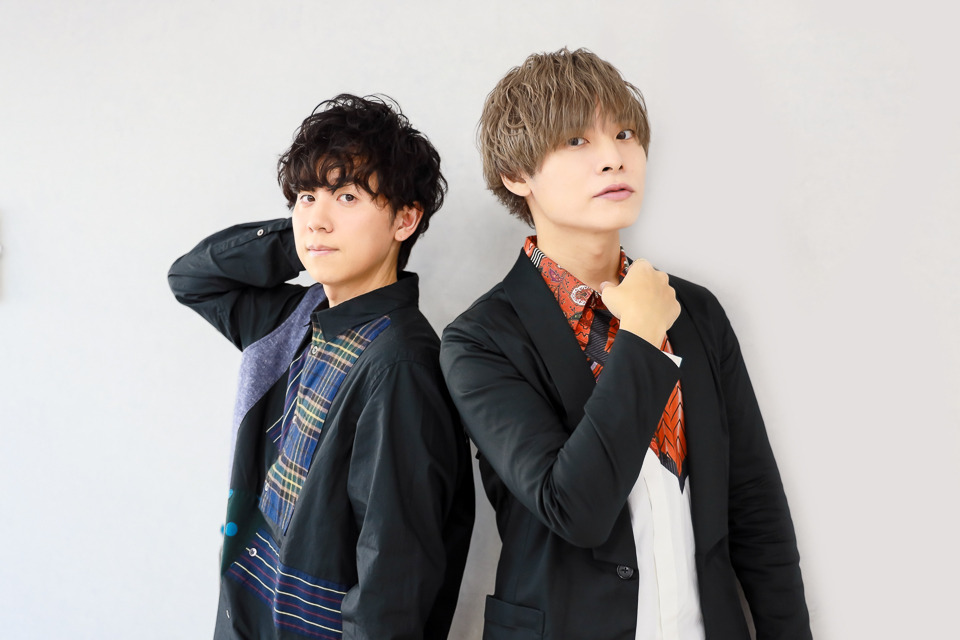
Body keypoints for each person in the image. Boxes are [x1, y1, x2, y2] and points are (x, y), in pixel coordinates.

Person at [440, 48, 810, 639]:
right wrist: (640, 335)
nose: (614, 157)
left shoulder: (695, 311)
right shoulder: (480, 340)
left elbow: (754, 502)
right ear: (517, 175)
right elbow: (575, 510)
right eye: (576, 141)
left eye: (624, 134)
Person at [169, 94, 474, 640]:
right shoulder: (293, 321)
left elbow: (391, 586)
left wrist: (321, 234)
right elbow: (192, 279)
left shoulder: (400, 366)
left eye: (348, 196)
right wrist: (309, 240)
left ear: (405, 219)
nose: (318, 217)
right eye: (307, 197)